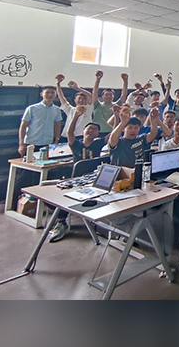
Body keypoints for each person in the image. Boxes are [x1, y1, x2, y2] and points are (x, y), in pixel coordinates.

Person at [48, 109, 105, 243]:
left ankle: (70, 219)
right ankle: (61, 222)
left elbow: (113, 134)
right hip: (75, 180)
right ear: (83, 131)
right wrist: (76, 117)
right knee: (55, 197)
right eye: (89, 128)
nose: (91, 131)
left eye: (95, 130)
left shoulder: (98, 144)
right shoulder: (76, 144)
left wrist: (117, 117)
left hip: (92, 180)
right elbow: (70, 132)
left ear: (97, 134)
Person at [55, 74, 93, 138]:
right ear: (75, 100)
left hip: (81, 136)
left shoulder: (89, 109)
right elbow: (61, 97)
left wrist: (77, 88)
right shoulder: (70, 109)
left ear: (86, 101)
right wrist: (58, 84)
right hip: (66, 136)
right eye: (79, 98)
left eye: (84, 99)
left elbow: (90, 96)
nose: (81, 100)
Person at [92, 70, 128, 137]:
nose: (108, 96)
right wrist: (98, 79)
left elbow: (124, 95)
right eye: (106, 94)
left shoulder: (116, 106)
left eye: (110, 95)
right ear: (102, 96)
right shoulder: (97, 105)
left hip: (112, 132)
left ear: (113, 96)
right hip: (97, 132)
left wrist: (125, 81)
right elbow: (94, 93)